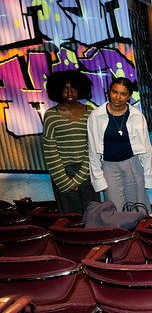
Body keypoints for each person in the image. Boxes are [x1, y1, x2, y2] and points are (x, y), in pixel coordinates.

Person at [87, 77, 152, 212]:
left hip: (133, 165)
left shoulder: (137, 115)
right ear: (109, 92)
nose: (117, 97)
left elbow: (147, 149)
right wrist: (98, 178)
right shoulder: (96, 116)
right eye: (114, 92)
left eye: (123, 94)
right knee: (115, 209)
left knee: (138, 207)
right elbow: (93, 151)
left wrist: (148, 176)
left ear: (129, 96)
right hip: (108, 167)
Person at [42, 69, 100, 214]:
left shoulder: (90, 112)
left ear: (80, 89)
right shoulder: (51, 115)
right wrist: (64, 180)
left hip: (87, 170)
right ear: (57, 90)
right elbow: (50, 150)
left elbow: (93, 146)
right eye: (64, 89)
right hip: (62, 172)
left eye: (73, 88)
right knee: (70, 218)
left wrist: (81, 176)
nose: (69, 93)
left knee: (93, 215)